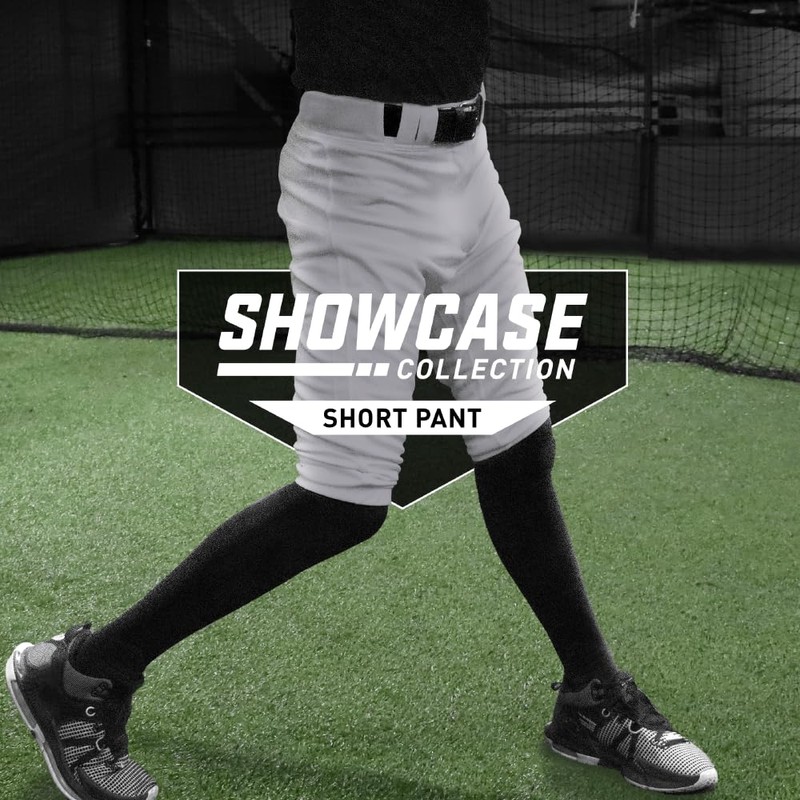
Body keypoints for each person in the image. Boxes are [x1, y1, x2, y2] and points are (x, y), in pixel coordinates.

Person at [5, 3, 718, 799]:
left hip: (467, 162)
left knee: (520, 446)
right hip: (357, 177)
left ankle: (590, 696)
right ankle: (82, 676)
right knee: (343, 500)